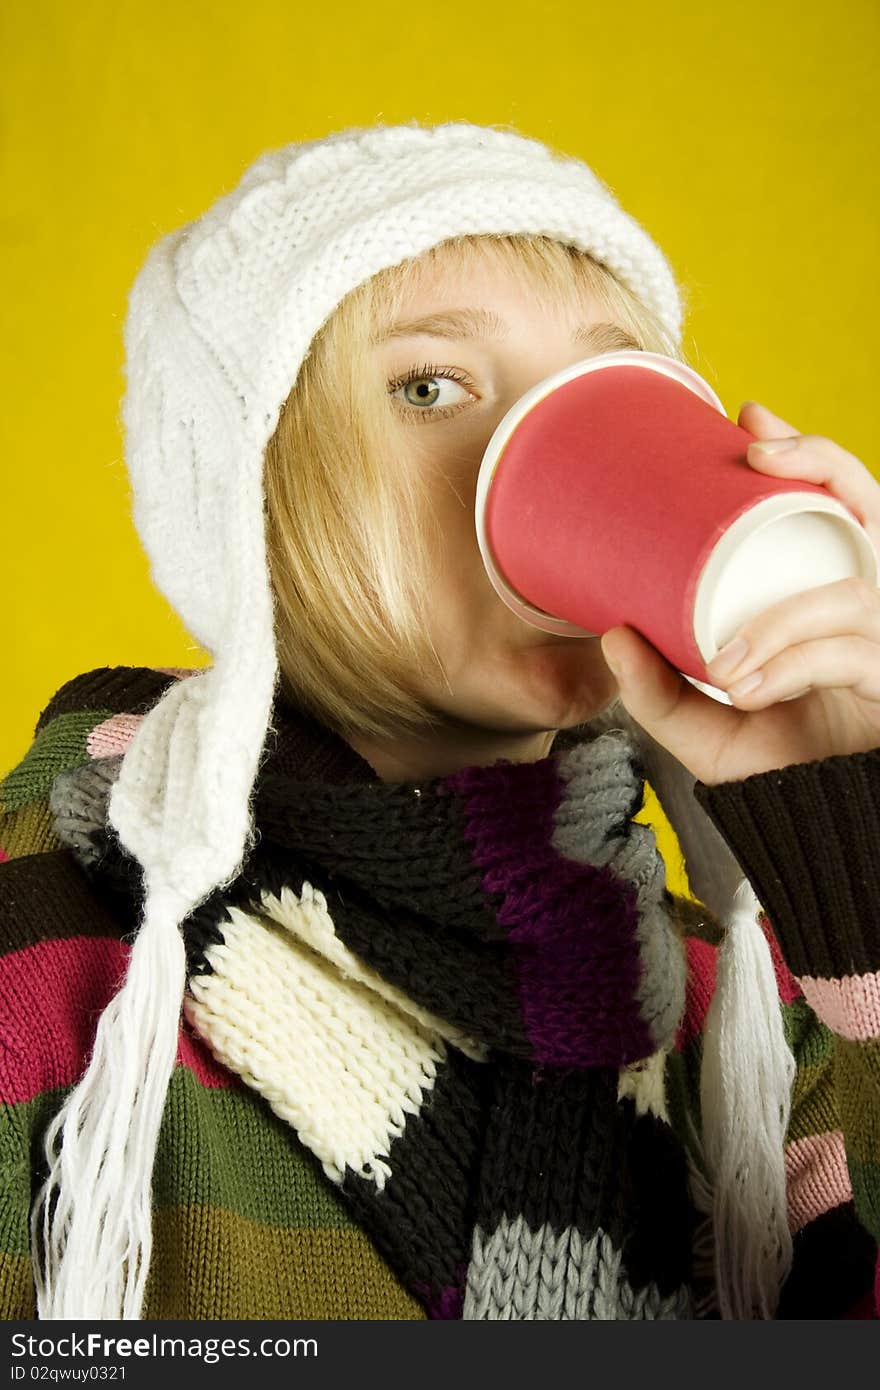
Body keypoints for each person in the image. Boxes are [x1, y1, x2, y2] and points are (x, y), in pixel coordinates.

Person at [1, 120, 878, 1323]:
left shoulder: (755, 999)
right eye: (430, 385)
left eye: (607, 382)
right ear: (248, 497)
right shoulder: (57, 968)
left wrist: (854, 841)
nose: (537, 444)